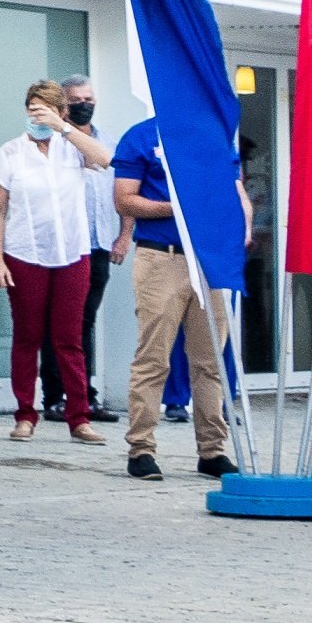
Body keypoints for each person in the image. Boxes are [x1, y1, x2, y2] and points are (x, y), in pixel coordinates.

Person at [111, 114, 244, 481]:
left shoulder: (214, 136)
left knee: (211, 360)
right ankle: (141, 448)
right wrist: (179, 208)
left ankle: (212, 450)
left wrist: (240, 228)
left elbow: (235, 192)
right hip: (161, 256)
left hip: (208, 259)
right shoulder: (141, 136)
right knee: (154, 357)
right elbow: (124, 200)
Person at [0, 79, 112, 448]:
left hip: (72, 253)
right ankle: (25, 414)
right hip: (25, 253)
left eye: (44, 109)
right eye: (32, 108)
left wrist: (64, 128)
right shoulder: (10, 152)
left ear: (59, 112)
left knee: (69, 339)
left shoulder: (71, 148)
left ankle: (79, 417)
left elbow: (104, 159)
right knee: (27, 336)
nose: (36, 115)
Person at [59, 78, 118, 421]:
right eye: (77, 99)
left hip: (99, 244)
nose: (85, 103)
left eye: (89, 98)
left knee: (85, 321)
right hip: (66, 244)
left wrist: (123, 236)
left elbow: (120, 191)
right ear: (64, 104)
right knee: (63, 322)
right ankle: (57, 396)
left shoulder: (107, 141)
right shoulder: (52, 140)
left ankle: (83, 395)